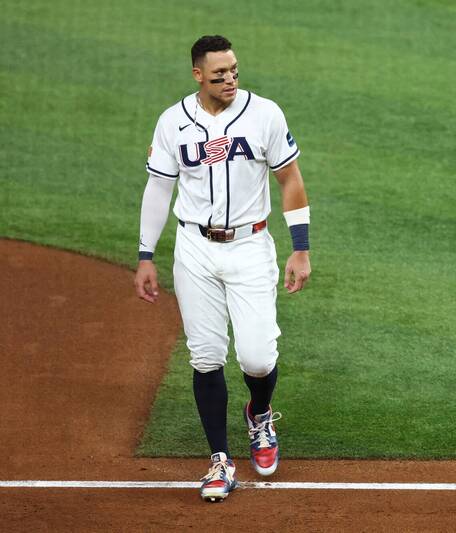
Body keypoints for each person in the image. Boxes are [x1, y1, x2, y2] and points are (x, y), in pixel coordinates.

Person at [133, 34, 311, 502]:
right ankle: (219, 460)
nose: (229, 79)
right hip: (194, 248)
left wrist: (300, 248)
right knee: (206, 356)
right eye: (219, 74)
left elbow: (290, 178)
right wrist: (146, 255)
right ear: (198, 75)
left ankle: (260, 414)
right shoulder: (173, 122)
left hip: (250, 246)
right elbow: (158, 189)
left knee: (258, 358)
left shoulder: (264, 114)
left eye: (233, 70)